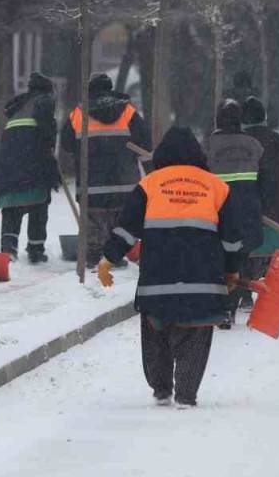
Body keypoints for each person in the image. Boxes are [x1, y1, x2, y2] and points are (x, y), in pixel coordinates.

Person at [97, 127, 262, 408]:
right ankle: (186, 393)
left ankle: (161, 388)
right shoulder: (216, 187)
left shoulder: (150, 184)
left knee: (156, 333)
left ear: (162, 155)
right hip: (202, 283)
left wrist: (108, 259)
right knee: (195, 334)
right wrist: (232, 270)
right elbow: (232, 240)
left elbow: (126, 229)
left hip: (156, 283)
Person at [59, 73, 150, 268]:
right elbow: (144, 143)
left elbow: (66, 144)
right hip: (124, 185)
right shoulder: (128, 112)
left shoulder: (79, 114)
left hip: (91, 186)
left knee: (93, 225)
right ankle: (115, 255)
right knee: (121, 224)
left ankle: (94, 257)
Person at [205, 99, 265, 322]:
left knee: (221, 258)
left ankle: (224, 306)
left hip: (218, 211)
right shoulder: (254, 145)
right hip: (247, 211)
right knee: (241, 254)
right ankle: (240, 297)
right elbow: (264, 178)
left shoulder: (209, 146)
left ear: (218, 120)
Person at [0, 72, 59, 264]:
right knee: (39, 203)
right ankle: (36, 249)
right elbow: (47, 135)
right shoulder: (44, 102)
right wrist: (51, 165)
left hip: (8, 166)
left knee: (12, 207)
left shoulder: (17, 107)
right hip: (33, 163)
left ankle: (8, 248)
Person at [241, 96, 279, 281]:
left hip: (247, 218)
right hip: (278, 217)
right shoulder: (278, 140)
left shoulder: (240, 143)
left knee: (245, 264)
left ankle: (245, 288)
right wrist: (275, 195)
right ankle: (273, 286)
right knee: (274, 265)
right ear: (264, 117)